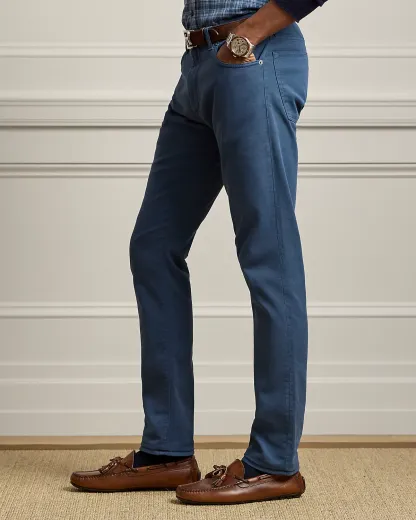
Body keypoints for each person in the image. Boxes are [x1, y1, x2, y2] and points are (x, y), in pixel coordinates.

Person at [70, 0, 329, 505]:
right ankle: (166, 450)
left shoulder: (249, 45)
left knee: (268, 255)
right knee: (153, 246)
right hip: (198, 65)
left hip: (252, 57)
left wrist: (248, 37)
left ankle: (275, 462)